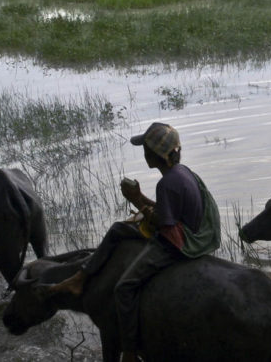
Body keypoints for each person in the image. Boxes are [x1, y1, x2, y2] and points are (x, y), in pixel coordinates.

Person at [44, 122, 220, 362]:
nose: (144, 153)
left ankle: (129, 350)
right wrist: (140, 201)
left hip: (181, 242)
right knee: (119, 229)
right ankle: (80, 277)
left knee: (124, 287)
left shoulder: (167, 183)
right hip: (191, 230)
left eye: (146, 149)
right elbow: (166, 211)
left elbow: (164, 225)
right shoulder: (183, 173)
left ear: (154, 154)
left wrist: (136, 200)